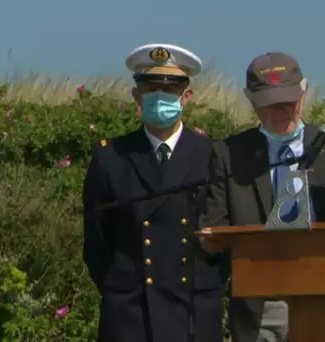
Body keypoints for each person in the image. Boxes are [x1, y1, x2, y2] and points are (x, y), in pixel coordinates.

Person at [82, 43, 222, 342]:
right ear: (137, 95)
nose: (160, 96)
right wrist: (121, 286)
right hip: (131, 314)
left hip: (192, 313)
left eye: (170, 89)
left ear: (186, 97)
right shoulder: (112, 158)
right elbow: (96, 243)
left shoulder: (211, 155)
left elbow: (224, 238)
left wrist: (207, 285)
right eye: (151, 88)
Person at [198, 52, 325, 342]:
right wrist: (210, 240)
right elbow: (214, 225)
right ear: (250, 100)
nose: (283, 110)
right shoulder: (229, 154)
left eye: (290, 100)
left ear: (304, 91)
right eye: (271, 103)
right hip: (263, 305)